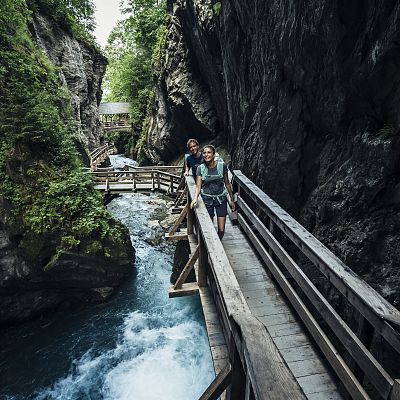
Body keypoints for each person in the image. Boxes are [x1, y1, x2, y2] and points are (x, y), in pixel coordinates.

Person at [190, 145, 236, 239]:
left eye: (209, 152)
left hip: (221, 199)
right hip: (207, 200)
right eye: (204, 153)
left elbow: (227, 183)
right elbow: (198, 187)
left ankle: (218, 244)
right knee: (209, 227)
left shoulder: (221, 166)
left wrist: (232, 199)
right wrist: (195, 199)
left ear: (214, 154)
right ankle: (212, 248)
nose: (206, 155)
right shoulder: (200, 168)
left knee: (222, 230)